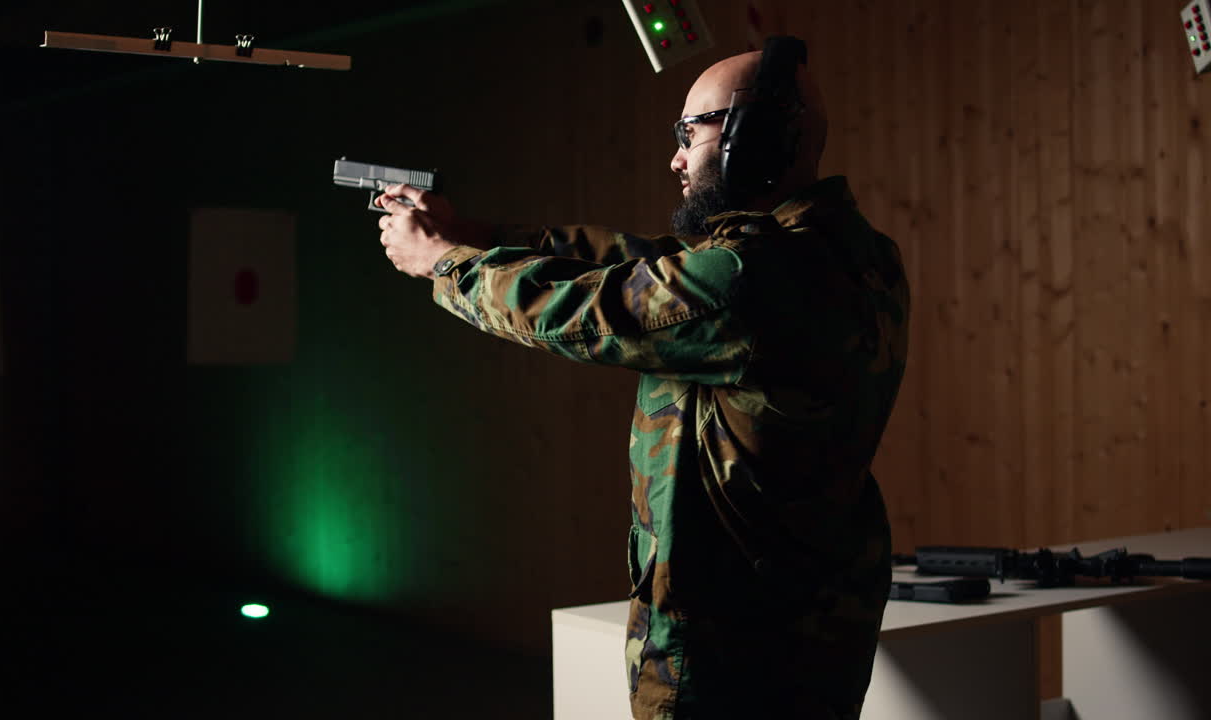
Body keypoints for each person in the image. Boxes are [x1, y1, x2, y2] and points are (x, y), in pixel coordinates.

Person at [374, 43, 909, 720]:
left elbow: (592, 307)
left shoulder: (749, 279)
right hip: (816, 625)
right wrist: (473, 234)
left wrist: (444, 263)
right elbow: (649, 266)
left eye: (691, 134)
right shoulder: (851, 252)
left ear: (757, 138)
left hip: (732, 644)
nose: (677, 160)